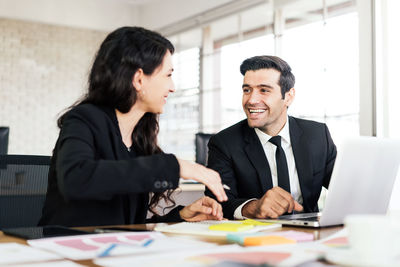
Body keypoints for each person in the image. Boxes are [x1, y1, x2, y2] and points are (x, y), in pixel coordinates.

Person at [39, 26, 227, 227]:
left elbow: (127, 223)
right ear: (139, 79)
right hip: (68, 249)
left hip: (114, 251)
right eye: (168, 75)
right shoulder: (84, 119)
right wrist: (176, 166)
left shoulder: (139, 137)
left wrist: (181, 216)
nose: (172, 87)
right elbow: (76, 180)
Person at [205, 55, 337, 220]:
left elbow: (344, 187)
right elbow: (217, 203)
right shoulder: (224, 143)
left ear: (288, 96)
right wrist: (254, 207)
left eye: (264, 90)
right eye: (247, 90)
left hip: (310, 234)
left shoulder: (317, 135)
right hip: (256, 237)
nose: (251, 100)